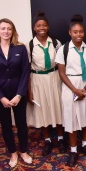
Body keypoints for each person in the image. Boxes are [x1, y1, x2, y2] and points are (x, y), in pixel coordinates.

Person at [0, 18, 31, 167]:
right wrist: (0, 97)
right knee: (5, 125)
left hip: (18, 94)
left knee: (21, 124)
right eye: (3, 28)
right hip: (1, 96)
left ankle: (24, 151)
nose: (6, 31)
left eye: (9, 28)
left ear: (13, 31)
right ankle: (13, 153)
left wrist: (19, 94)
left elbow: (26, 72)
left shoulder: (20, 49)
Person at [55, 14, 86, 167]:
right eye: (75, 32)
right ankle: (73, 150)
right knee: (72, 119)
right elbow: (61, 72)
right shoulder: (63, 50)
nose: (78, 35)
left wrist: (85, 89)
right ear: (70, 33)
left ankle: (85, 145)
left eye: (81, 32)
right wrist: (75, 90)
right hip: (70, 86)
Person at [26, 11, 66, 156]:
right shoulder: (30, 46)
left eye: (44, 25)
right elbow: (27, 70)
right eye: (38, 26)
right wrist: (28, 91)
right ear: (34, 28)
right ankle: (48, 140)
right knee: (42, 110)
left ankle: (61, 139)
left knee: (58, 108)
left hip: (54, 77)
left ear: (48, 27)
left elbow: (62, 65)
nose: (41, 27)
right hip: (38, 80)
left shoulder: (56, 43)